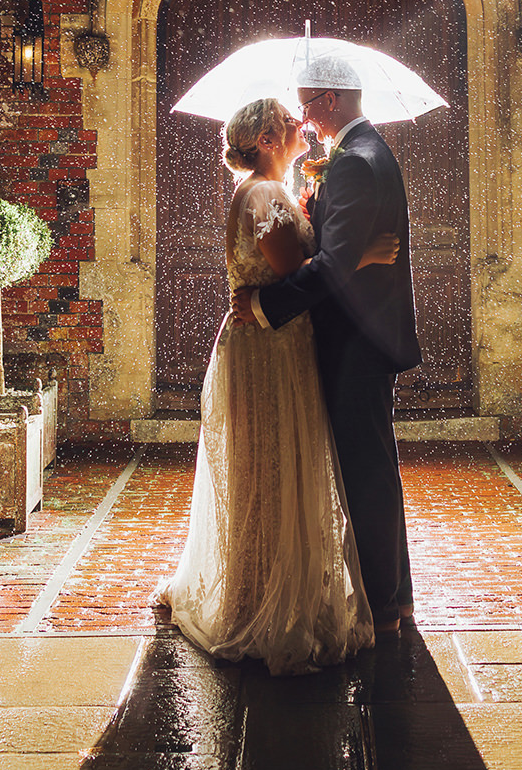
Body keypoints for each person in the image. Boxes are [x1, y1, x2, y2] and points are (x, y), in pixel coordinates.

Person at [156, 96, 401, 674]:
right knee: (270, 465)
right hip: (268, 348)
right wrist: (358, 255)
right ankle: (263, 599)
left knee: (268, 466)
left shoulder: (271, 191)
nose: (301, 125)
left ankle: (260, 583)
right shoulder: (264, 195)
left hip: (276, 343)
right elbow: (296, 273)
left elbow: (298, 258)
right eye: (289, 124)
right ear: (267, 139)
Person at [232, 54, 421, 637]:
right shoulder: (360, 156)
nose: (307, 122)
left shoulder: (356, 164)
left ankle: (386, 605)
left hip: (355, 341)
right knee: (372, 467)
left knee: (365, 470)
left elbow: (332, 262)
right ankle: (394, 597)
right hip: (357, 336)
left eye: (309, 106)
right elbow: (332, 251)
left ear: (332, 101)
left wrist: (266, 307)